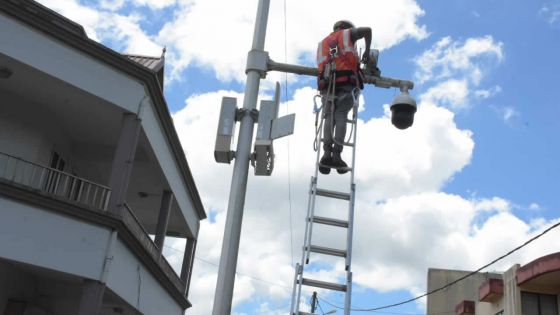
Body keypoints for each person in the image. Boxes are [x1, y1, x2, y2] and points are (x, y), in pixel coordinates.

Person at [316, 20, 372, 175]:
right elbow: (367, 30)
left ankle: (326, 154)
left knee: (328, 116)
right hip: (346, 81)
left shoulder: (322, 43)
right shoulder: (348, 34)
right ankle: (336, 155)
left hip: (327, 83)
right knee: (340, 114)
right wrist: (366, 51)